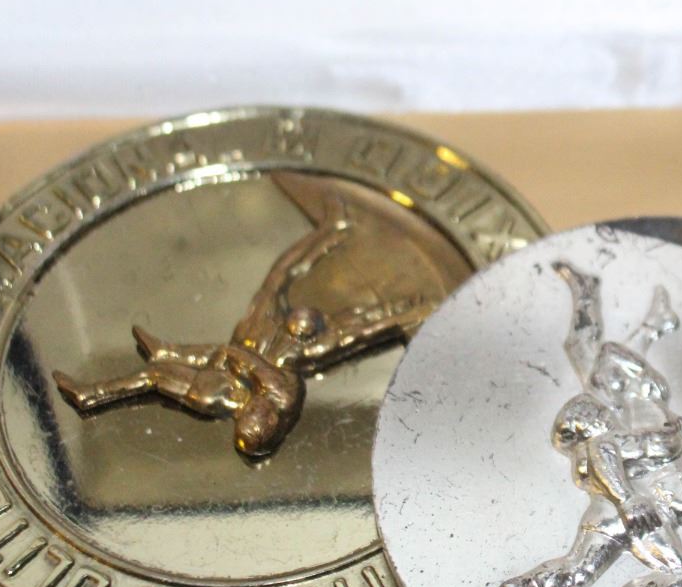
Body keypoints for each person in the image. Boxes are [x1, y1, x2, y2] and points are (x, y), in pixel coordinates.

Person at [53, 176, 432, 458]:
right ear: (270, 421)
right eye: (253, 415)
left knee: (277, 286)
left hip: (258, 339)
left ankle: (95, 391)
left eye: (245, 416)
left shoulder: (242, 401)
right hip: (295, 342)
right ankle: (387, 283)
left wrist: (190, 375)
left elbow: (231, 358)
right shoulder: (284, 397)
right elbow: (245, 361)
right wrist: (218, 363)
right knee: (344, 320)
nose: (248, 411)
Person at [481, 261, 682, 587]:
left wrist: (588, 296)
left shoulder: (620, 400)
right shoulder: (652, 428)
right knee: (674, 573)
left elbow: (582, 345)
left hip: (610, 509)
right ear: (632, 380)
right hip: (643, 509)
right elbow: (605, 446)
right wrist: (629, 498)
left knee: (578, 570)